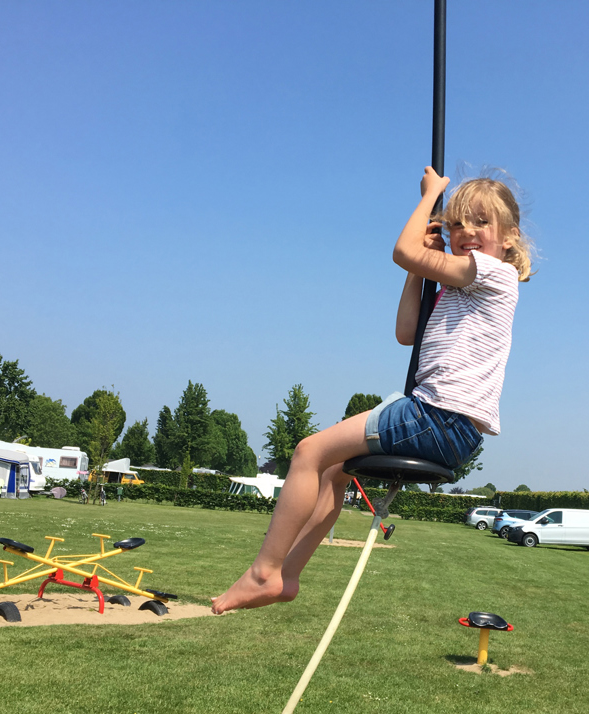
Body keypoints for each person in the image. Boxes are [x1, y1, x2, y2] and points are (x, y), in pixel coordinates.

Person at [212, 166, 532, 615]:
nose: (467, 231)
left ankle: (264, 571)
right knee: (332, 471)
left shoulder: (495, 274)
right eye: (457, 223)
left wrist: (429, 197)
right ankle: (288, 575)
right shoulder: (457, 290)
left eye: (482, 222)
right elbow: (406, 332)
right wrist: (421, 267)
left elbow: (402, 250)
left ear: (511, 237)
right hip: (447, 423)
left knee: (307, 451)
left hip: (438, 415)